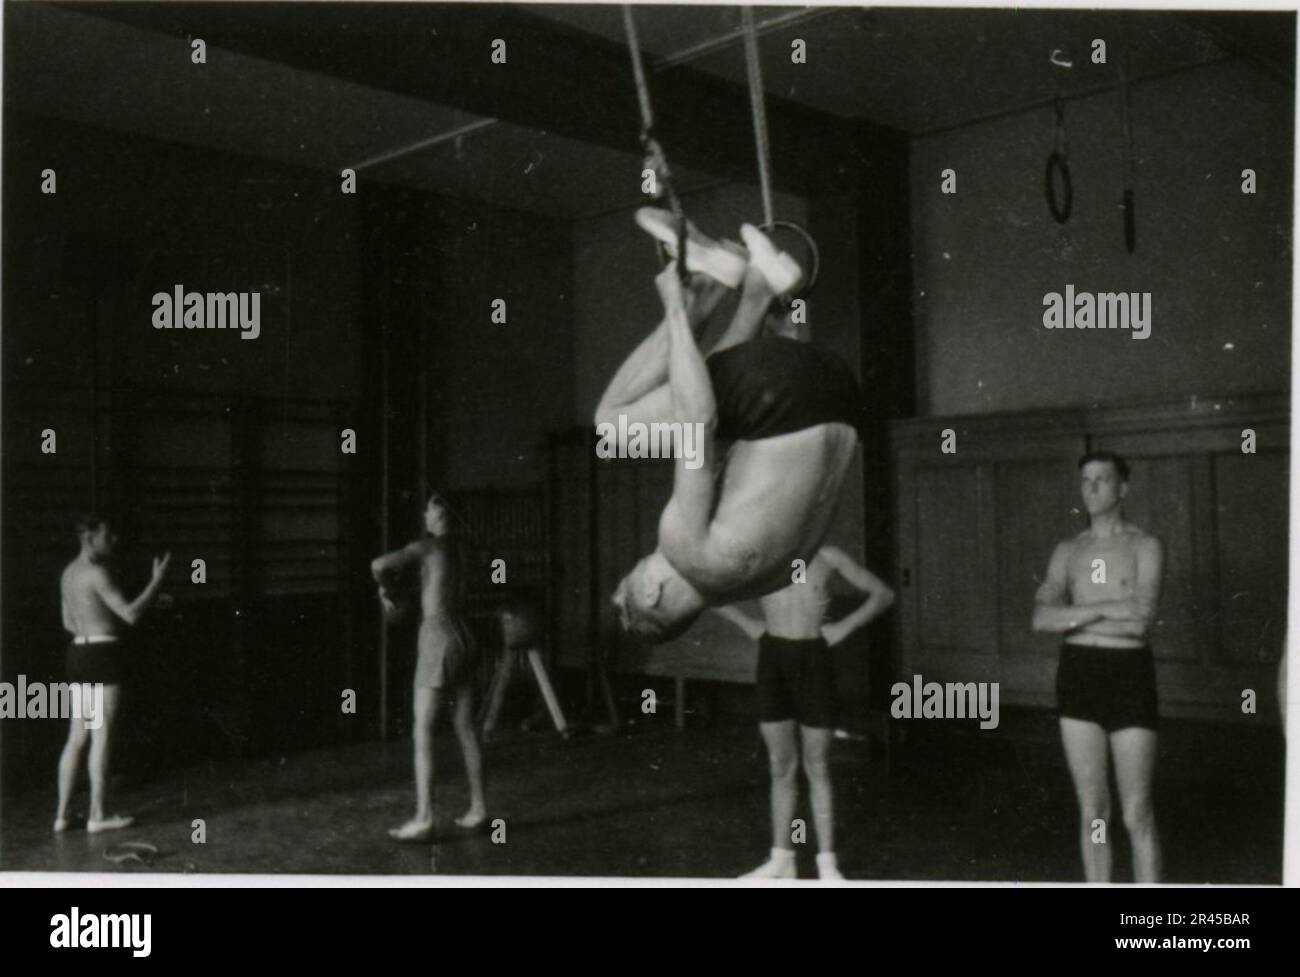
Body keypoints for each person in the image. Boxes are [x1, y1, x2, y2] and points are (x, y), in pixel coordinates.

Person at [597, 209, 862, 641]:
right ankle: (714, 285)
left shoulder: (766, 581)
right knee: (612, 425)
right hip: (781, 394)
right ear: (650, 591)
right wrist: (676, 312)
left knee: (722, 410)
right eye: (633, 574)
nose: (643, 561)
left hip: (840, 391)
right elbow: (697, 419)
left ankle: (752, 290)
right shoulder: (686, 552)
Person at [713, 547, 894, 880]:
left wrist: (846, 626)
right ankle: (782, 860)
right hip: (773, 659)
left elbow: (883, 594)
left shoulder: (829, 556)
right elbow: (708, 589)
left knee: (817, 765)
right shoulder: (765, 553)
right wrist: (747, 623)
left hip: (814, 660)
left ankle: (827, 866)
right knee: (780, 765)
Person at [1032, 451, 1164, 882]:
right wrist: (1111, 610)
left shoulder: (1144, 546)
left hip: (1129, 677)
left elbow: (1141, 619)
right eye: (1085, 480)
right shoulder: (1068, 550)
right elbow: (1039, 618)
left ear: (1122, 488)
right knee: (1093, 809)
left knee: (1136, 811)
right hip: (1078, 675)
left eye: (1101, 480)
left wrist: (1076, 612)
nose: (1090, 489)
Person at [372, 492, 486, 840]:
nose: (426, 514)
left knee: (422, 728)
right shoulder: (467, 550)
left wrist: (386, 591)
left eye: (431, 510)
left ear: (439, 516)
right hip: (467, 633)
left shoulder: (426, 547)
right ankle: (480, 810)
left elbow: (378, 564)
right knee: (465, 726)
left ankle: (424, 817)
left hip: (438, 634)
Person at [56, 513, 170, 833]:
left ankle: (61, 816)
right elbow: (131, 615)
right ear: (90, 538)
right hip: (102, 656)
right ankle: (98, 816)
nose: (114, 540)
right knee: (102, 736)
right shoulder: (97, 573)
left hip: (78, 653)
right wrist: (156, 581)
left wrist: (95, 619)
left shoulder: (68, 574)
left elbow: (68, 622)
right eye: (108, 535)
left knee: (76, 737)